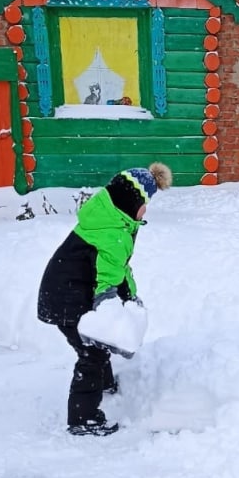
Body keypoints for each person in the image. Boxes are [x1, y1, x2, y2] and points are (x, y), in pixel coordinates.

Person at [37, 162, 172, 435]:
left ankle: (104, 384)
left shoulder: (110, 220)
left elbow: (119, 267)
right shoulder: (113, 233)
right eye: (146, 202)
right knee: (92, 353)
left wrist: (130, 296)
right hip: (67, 299)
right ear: (132, 202)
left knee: (99, 344)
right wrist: (112, 304)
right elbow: (109, 279)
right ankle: (83, 418)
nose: (146, 209)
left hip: (65, 292)